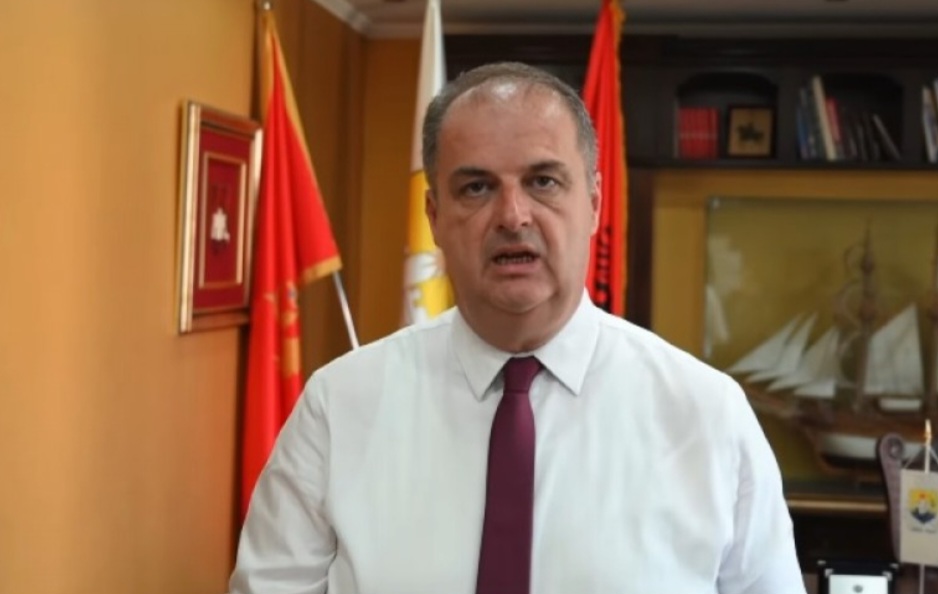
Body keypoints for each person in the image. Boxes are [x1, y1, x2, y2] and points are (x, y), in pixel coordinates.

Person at [229, 62, 806, 594]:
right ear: (434, 217)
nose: (512, 215)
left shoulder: (706, 414)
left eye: (544, 181)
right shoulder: (339, 406)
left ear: (595, 203)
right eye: (476, 187)